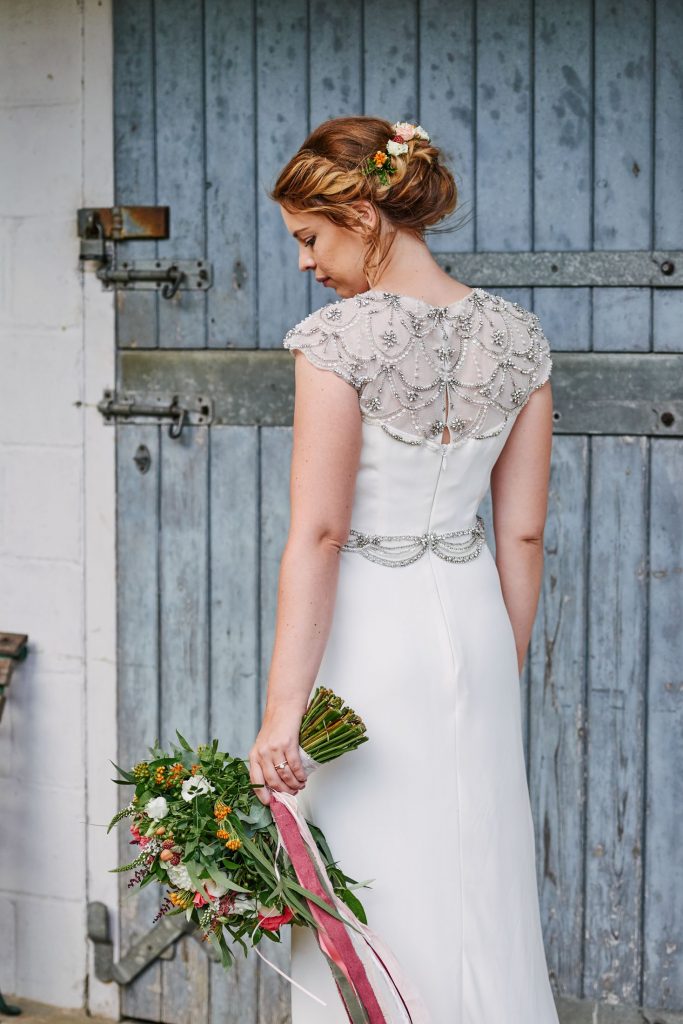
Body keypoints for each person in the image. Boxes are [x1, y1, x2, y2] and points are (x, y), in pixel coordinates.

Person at [248, 115, 559, 1023]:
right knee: (478, 873)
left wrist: (279, 718)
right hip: (473, 622)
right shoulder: (519, 339)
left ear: (361, 212)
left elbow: (318, 533)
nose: (306, 262)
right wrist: (498, 668)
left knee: (369, 871)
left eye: (309, 237)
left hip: (372, 636)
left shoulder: (338, 339)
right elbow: (523, 538)